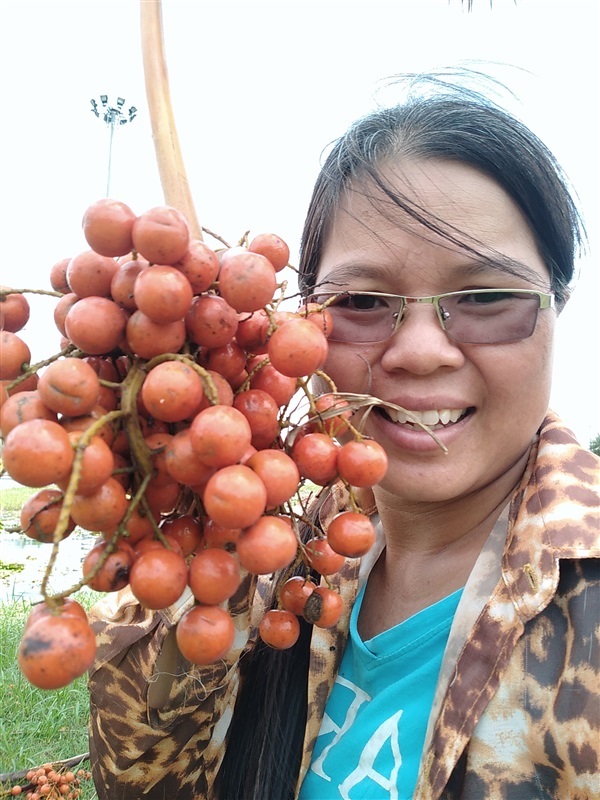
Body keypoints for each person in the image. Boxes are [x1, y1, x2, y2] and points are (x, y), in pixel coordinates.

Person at [87, 73, 600, 800]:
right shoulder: (270, 554)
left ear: (560, 305)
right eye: (360, 302)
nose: (422, 351)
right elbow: (140, 781)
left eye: (487, 297)